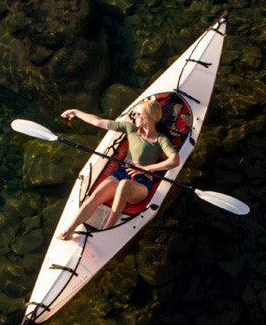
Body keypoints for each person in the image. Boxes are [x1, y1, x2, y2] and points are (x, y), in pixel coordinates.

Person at [57, 98, 179, 240]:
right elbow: (98, 122)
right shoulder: (130, 128)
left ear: (149, 117)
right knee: (96, 196)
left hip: (141, 182)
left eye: (139, 115)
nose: (135, 117)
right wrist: (76, 112)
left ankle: (106, 231)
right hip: (121, 173)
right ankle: (69, 230)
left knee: (124, 185)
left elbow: (174, 160)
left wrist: (147, 169)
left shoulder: (160, 139)